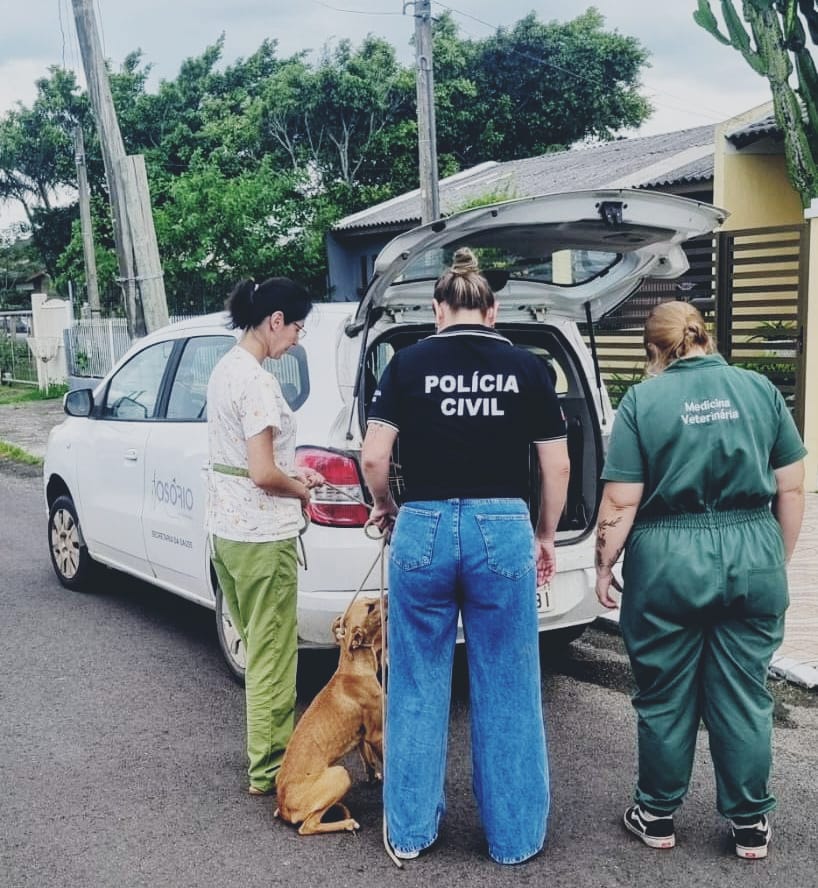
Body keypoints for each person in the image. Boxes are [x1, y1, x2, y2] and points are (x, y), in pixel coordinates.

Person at [361, 247, 570, 864]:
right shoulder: (528, 368)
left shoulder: (406, 363)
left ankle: (410, 831)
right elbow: (555, 463)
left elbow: (374, 457)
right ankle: (513, 838)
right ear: (492, 311)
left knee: (418, 684)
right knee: (507, 684)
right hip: (501, 524)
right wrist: (545, 533)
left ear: (437, 310)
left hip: (422, 523)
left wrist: (387, 505)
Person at [594, 300, 806, 860]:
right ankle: (750, 825)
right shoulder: (760, 390)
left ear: (654, 350)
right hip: (753, 550)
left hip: (668, 560)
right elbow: (791, 487)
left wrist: (603, 563)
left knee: (664, 694)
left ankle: (657, 815)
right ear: (703, 335)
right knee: (744, 694)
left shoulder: (643, 400)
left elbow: (621, 498)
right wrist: (773, 557)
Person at [207, 277, 323, 796]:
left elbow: (245, 460)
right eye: (297, 326)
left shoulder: (225, 368)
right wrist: (299, 487)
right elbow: (260, 472)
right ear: (275, 320)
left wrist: (295, 473)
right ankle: (272, 771)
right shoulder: (255, 381)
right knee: (274, 659)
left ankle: (266, 761)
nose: (298, 338)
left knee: (259, 651)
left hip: (228, 534)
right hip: (260, 536)